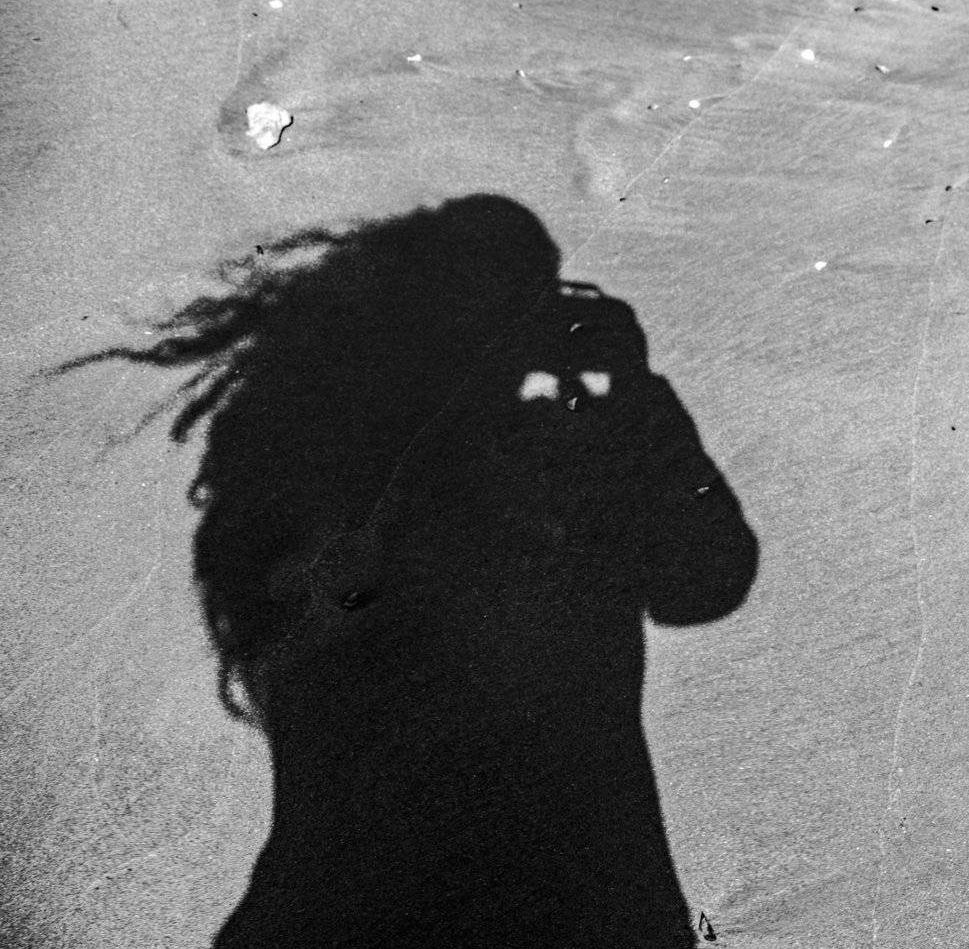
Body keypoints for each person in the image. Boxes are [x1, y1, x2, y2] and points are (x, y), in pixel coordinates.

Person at [56, 195, 758, 947]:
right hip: (541, 906)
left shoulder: (507, 463)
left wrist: (634, 398)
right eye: (518, 302)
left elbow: (705, 580)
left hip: (382, 909)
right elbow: (699, 581)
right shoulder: (385, 481)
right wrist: (630, 405)